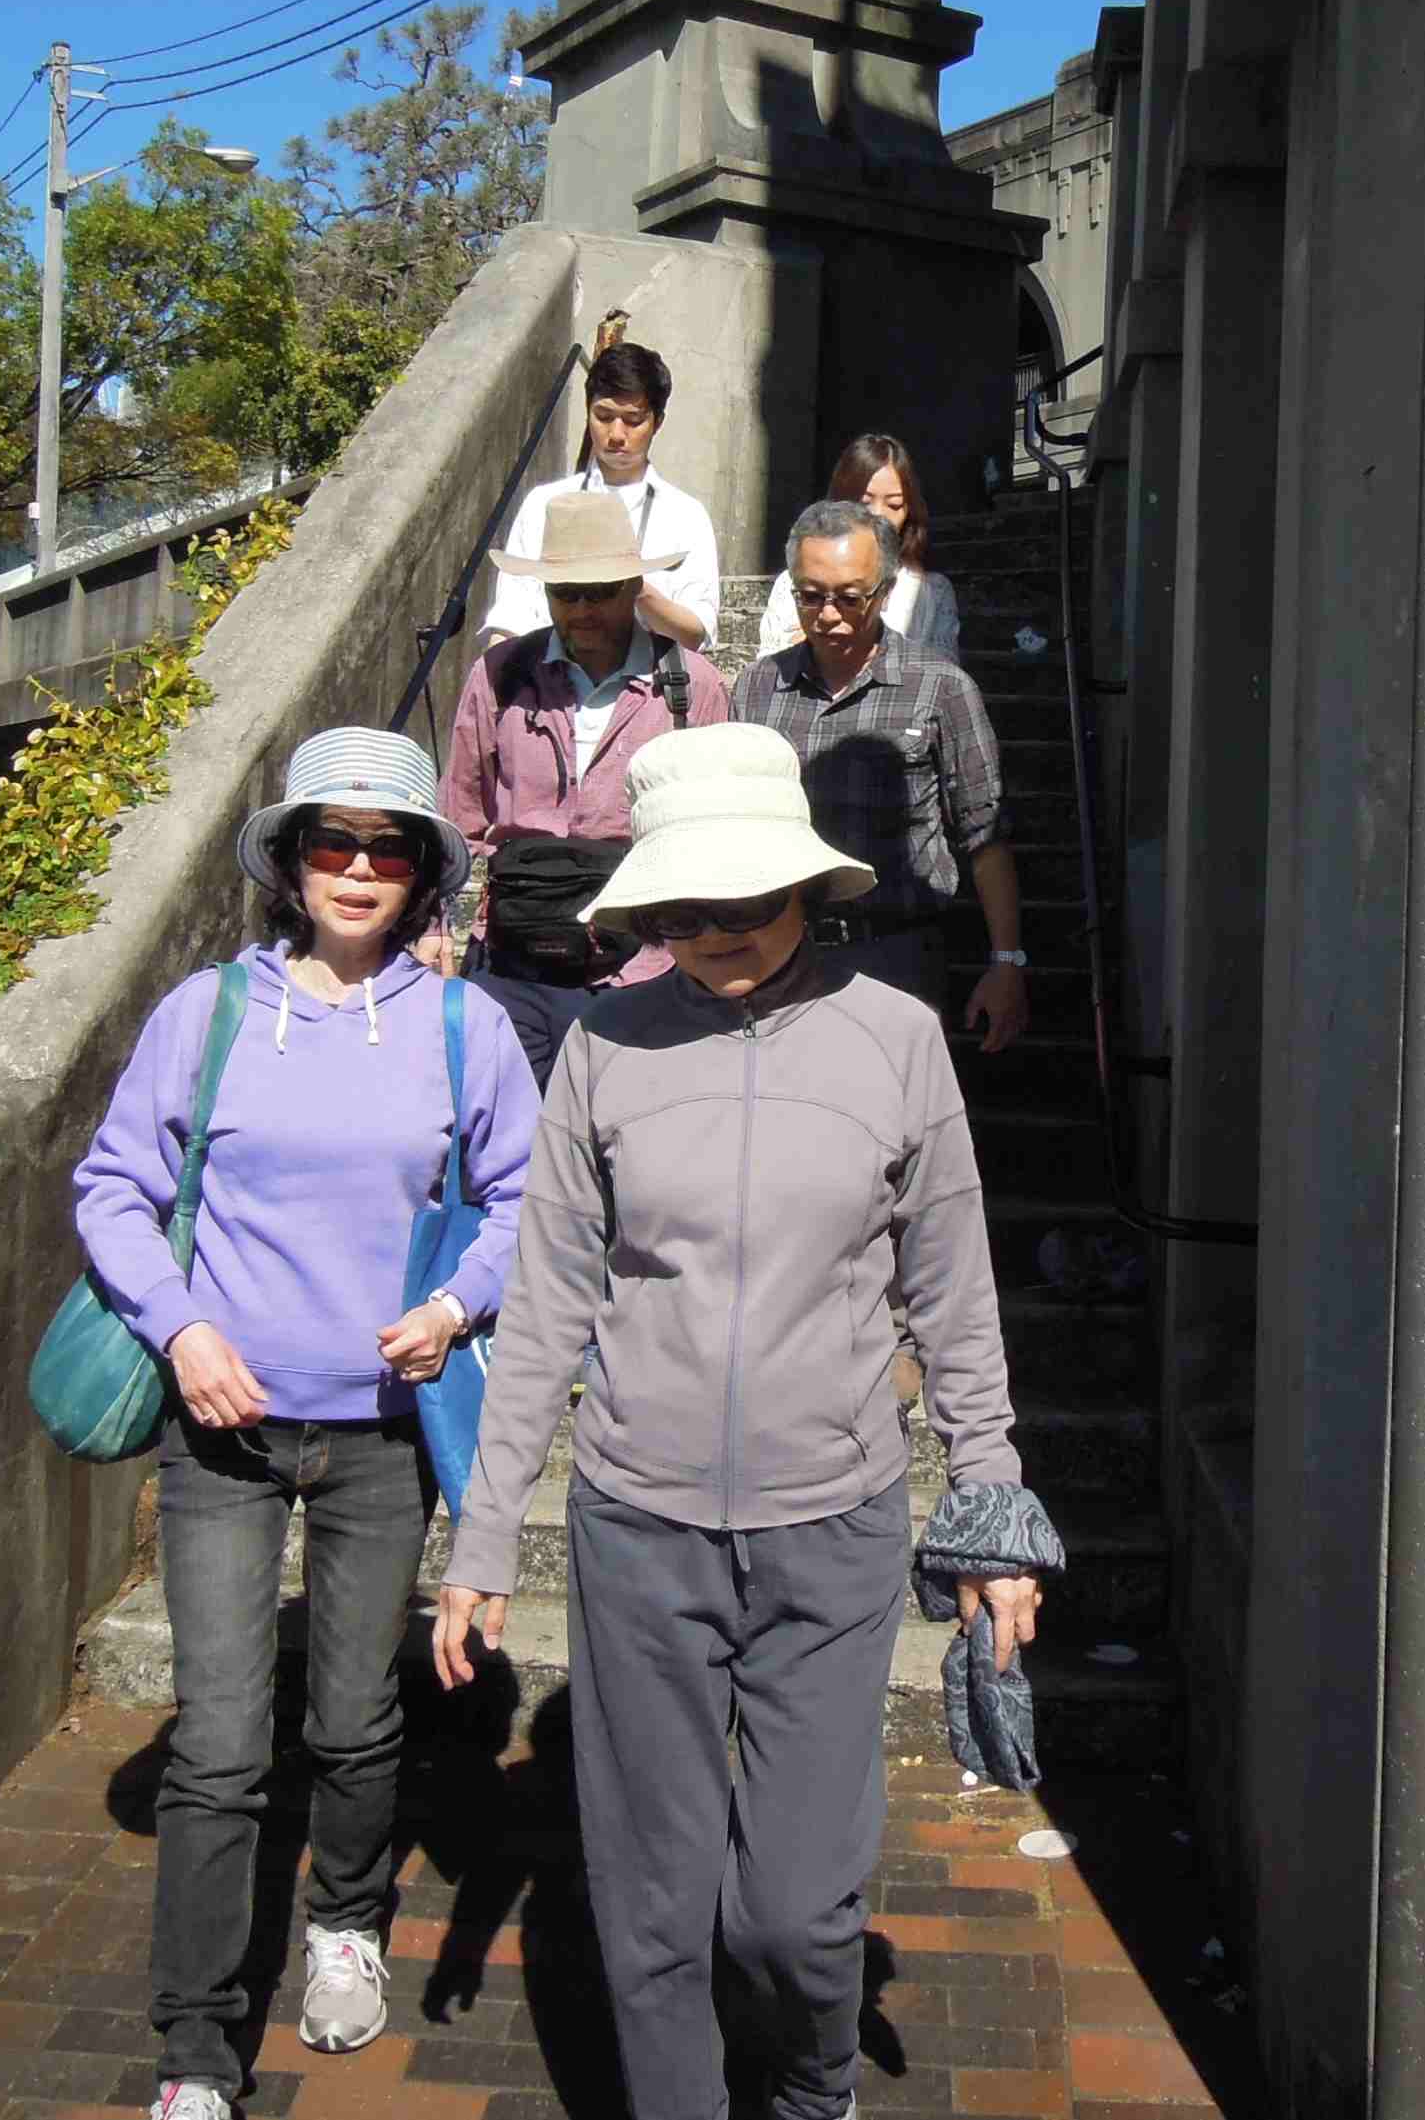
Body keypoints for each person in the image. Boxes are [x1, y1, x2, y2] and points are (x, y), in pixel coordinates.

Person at [430, 723, 1051, 2120]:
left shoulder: (897, 1042)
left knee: (790, 1913)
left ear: (807, 888)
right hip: (636, 1527)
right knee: (652, 1912)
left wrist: (993, 1514)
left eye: (748, 899)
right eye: (684, 906)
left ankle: (811, 2079)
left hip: (832, 1529)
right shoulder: (600, 1047)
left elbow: (955, 1294)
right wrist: (479, 1542)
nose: (716, 930)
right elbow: (540, 1312)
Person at [73, 727, 540, 2120]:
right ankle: (195, 2049)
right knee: (218, 1745)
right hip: (223, 1434)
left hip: (383, 1433)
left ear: (422, 871)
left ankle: (344, 1916)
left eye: (387, 845)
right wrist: (183, 1326)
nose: (357, 867)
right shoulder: (205, 1013)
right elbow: (110, 1185)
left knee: (350, 1719)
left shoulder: (467, 1029)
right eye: (330, 842)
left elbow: (524, 1205)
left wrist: (456, 1304)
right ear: (287, 862)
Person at [442, 487, 732, 1084]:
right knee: (506, 1155)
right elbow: (459, 819)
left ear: (635, 588)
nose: (581, 611)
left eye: (599, 592)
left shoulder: (691, 688)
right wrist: (435, 928)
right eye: (564, 593)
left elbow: (716, 835)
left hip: (642, 970)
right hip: (511, 968)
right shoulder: (499, 677)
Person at [736, 499, 1031, 1053]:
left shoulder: (941, 689)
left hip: (895, 957)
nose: (828, 615)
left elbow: (986, 833)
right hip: (776, 958)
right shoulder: (756, 689)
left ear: (886, 591)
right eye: (810, 596)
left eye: (850, 597)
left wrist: (1007, 963)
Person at [479, 314, 723, 652]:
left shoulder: (686, 515)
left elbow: (697, 632)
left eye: (633, 420)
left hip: (645, 690)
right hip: (551, 686)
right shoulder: (544, 502)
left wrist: (634, 587)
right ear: (587, 411)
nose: (617, 435)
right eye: (604, 417)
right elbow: (511, 616)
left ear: (658, 422)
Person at [758, 431, 963, 660]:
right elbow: (771, 667)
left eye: (894, 505)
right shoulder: (792, 583)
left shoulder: (932, 592)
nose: (878, 515)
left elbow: (943, 675)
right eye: (864, 502)